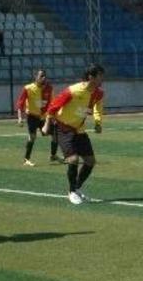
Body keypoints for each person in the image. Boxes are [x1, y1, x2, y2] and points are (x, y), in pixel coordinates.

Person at [42, 64, 105, 205]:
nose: (102, 79)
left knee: (90, 161)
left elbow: (98, 108)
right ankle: (71, 192)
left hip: (79, 129)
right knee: (73, 159)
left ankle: (76, 189)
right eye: (100, 76)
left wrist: (98, 122)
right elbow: (53, 107)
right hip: (63, 128)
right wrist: (47, 124)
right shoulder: (73, 91)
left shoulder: (98, 93)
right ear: (91, 77)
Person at [16, 69, 56, 166]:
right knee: (32, 137)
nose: (44, 78)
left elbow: (52, 103)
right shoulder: (28, 88)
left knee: (55, 134)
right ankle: (26, 159)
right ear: (36, 77)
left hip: (43, 117)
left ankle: (53, 156)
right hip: (32, 117)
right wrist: (20, 118)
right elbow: (20, 104)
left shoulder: (49, 88)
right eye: (41, 76)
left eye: (45, 76)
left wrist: (53, 117)